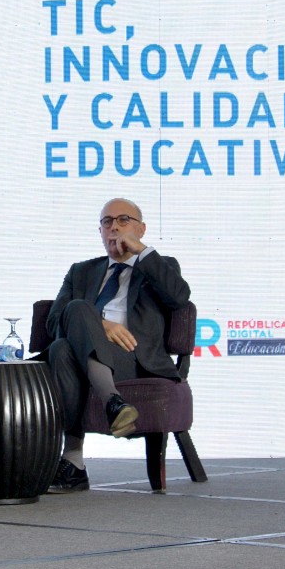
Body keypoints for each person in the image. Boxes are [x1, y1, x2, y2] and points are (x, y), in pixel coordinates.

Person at [44, 197, 192, 494]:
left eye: (124, 220)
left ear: (141, 229)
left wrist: (142, 252)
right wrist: (99, 325)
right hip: (81, 355)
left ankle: (72, 462)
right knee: (66, 337)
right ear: (100, 231)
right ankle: (113, 404)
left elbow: (179, 297)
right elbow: (54, 321)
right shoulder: (81, 271)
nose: (114, 227)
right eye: (107, 222)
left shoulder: (160, 266)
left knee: (65, 345)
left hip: (133, 358)